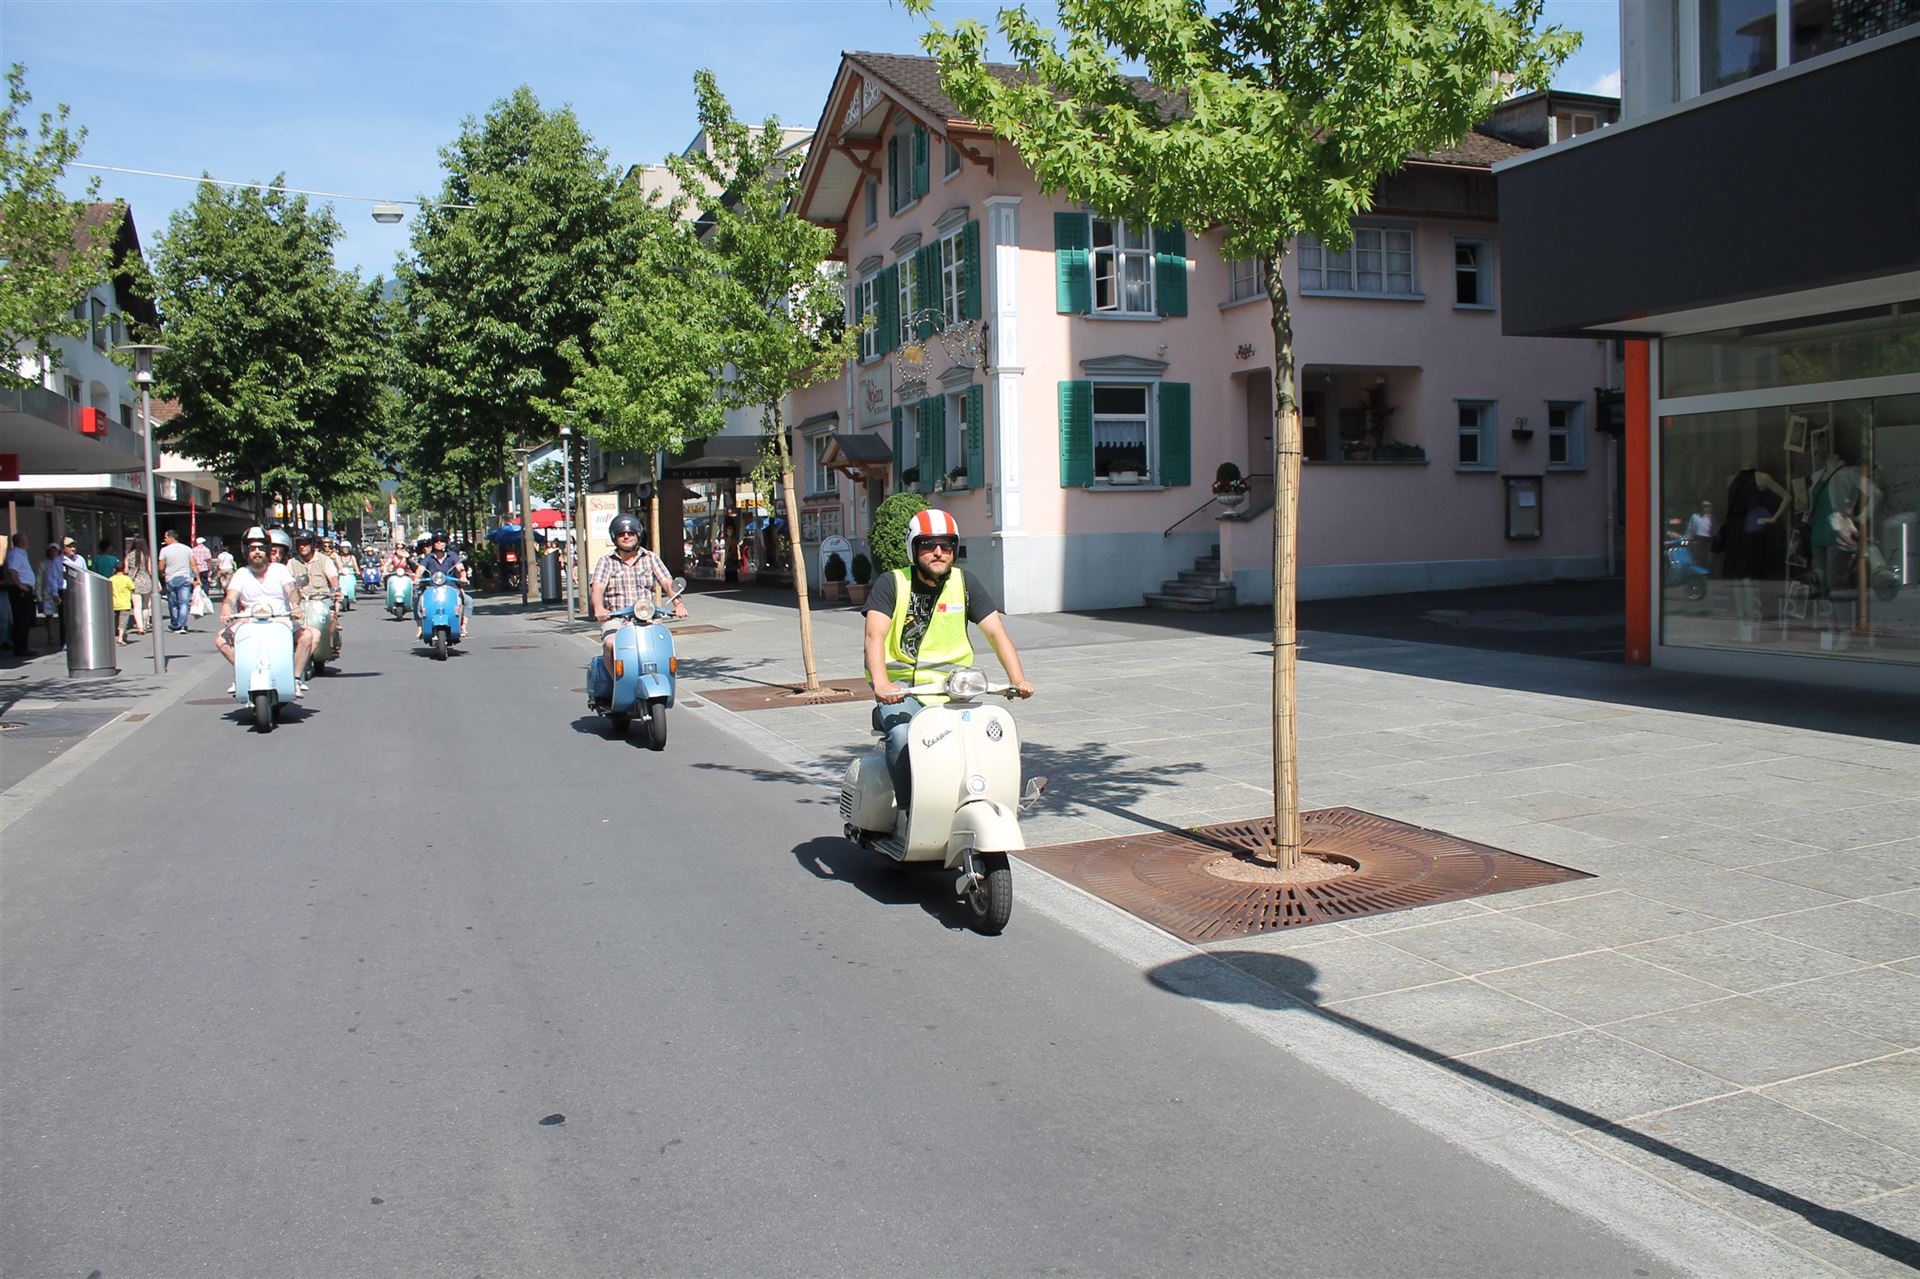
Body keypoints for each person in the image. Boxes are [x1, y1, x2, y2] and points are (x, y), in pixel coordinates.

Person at [863, 509, 1034, 812]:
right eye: (928, 545)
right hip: (904, 692)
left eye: (947, 545)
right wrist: (882, 683)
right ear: (913, 548)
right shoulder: (893, 583)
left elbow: (996, 633)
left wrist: (1017, 679)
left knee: (998, 733)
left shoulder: (965, 583)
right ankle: (911, 812)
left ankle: (1000, 800)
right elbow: (874, 636)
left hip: (954, 691)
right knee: (902, 736)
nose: (939, 552)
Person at [216, 527, 314, 697]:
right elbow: (231, 597)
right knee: (220, 639)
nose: (257, 552)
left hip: (280, 619)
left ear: (267, 550)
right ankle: (244, 672)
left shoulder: (279, 570)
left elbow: (291, 590)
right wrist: (226, 608)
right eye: (252, 548)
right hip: (249, 620)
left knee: (307, 636)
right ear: (246, 551)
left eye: (261, 548)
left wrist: (295, 606)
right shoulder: (241, 573)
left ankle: (296, 679)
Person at [589, 513, 683, 677]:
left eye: (631, 533)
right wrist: (599, 608)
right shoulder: (606, 561)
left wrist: (678, 604)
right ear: (614, 537)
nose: (626, 536)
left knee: (663, 646)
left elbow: (667, 582)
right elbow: (597, 588)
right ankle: (616, 684)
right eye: (621, 534)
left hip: (648, 617)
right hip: (616, 618)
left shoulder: (651, 558)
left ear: (638, 535)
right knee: (610, 644)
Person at [290, 530, 342, 660]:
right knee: (291, 623)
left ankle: (330, 645)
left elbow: (333, 577)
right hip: (300, 601)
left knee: (331, 616)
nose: (302, 546)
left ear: (312, 544)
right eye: (300, 543)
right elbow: (287, 582)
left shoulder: (324, 560)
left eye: (306, 543)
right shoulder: (292, 563)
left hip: (321, 599)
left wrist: (336, 591)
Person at [414, 530, 471, 636]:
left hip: (451, 587)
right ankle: (420, 627)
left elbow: (460, 568)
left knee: (468, 600)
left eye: (442, 540)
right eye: (436, 541)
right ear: (433, 543)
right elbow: (420, 569)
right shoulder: (429, 557)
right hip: (432, 587)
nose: (439, 543)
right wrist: (416, 578)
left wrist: (463, 577)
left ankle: (463, 627)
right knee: (418, 601)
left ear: (446, 542)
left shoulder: (452, 556)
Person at [157, 528, 196, 634]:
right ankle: (182, 625)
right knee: (184, 603)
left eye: (165, 537)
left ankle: (175, 624)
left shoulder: (164, 550)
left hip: (171, 578)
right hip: (185, 578)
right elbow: (193, 564)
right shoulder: (187, 549)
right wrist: (197, 578)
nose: (164, 539)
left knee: (173, 603)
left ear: (170, 537)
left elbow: (161, 567)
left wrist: (162, 573)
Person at [125, 539, 153, 637]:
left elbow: (126, 570)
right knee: (146, 606)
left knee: (137, 606)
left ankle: (140, 627)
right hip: (147, 581)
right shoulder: (146, 556)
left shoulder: (129, 555)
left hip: (135, 582)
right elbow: (150, 570)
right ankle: (145, 625)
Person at [111, 562, 136, 643]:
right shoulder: (127, 579)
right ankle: (120, 638)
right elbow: (133, 588)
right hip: (125, 604)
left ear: (114, 569)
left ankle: (123, 635)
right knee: (123, 622)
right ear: (123, 569)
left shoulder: (111, 579)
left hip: (115, 603)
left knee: (117, 621)